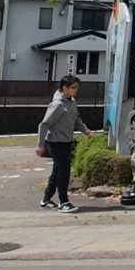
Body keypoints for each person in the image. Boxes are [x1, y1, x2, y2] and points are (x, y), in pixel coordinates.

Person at [38, 75, 92, 212]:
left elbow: (76, 119)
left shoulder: (72, 102)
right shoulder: (57, 105)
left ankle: (46, 199)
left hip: (66, 141)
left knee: (57, 171)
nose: (76, 90)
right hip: (55, 143)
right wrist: (40, 145)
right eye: (73, 88)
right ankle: (64, 202)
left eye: (77, 87)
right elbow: (44, 124)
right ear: (64, 88)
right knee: (63, 171)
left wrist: (84, 129)